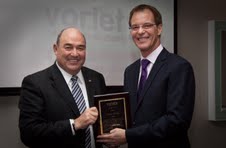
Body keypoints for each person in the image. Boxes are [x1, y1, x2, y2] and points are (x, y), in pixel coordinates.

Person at [97, 4, 195, 148]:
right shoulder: (130, 71)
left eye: (147, 25)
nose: (140, 32)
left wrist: (128, 136)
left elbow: (177, 121)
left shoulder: (179, 67)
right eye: (135, 27)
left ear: (159, 28)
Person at [18, 27, 106, 148]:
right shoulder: (35, 83)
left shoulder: (97, 78)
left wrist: (109, 137)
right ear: (56, 49)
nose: (75, 54)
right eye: (68, 47)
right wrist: (74, 124)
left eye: (80, 48)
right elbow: (28, 134)